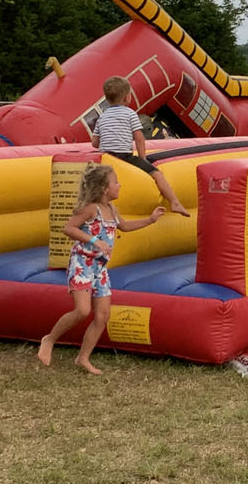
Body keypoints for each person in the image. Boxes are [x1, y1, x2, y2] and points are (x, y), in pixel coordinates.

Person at [37, 165, 165, 374]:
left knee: (103, 315)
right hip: (82, 264)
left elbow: (125, 226)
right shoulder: (91, 208)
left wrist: (150, 220)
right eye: (116, 182)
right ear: (105, 188)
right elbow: (69, 228)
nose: (119, 185)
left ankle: (83, 358)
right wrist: (95, 240)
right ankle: (49, 339)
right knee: (82, 310)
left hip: (100, 268)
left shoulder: (112, 210)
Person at [91, 76, 190, 216]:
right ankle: (175, 202)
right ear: (127, 97)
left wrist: (109, 139)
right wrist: (142, 158)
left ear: (107, 99)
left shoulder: (102, 117)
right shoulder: (130, 114)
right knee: (157, 174)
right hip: (124, 156)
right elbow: (139, 138)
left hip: (106, 158)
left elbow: (94, 143)